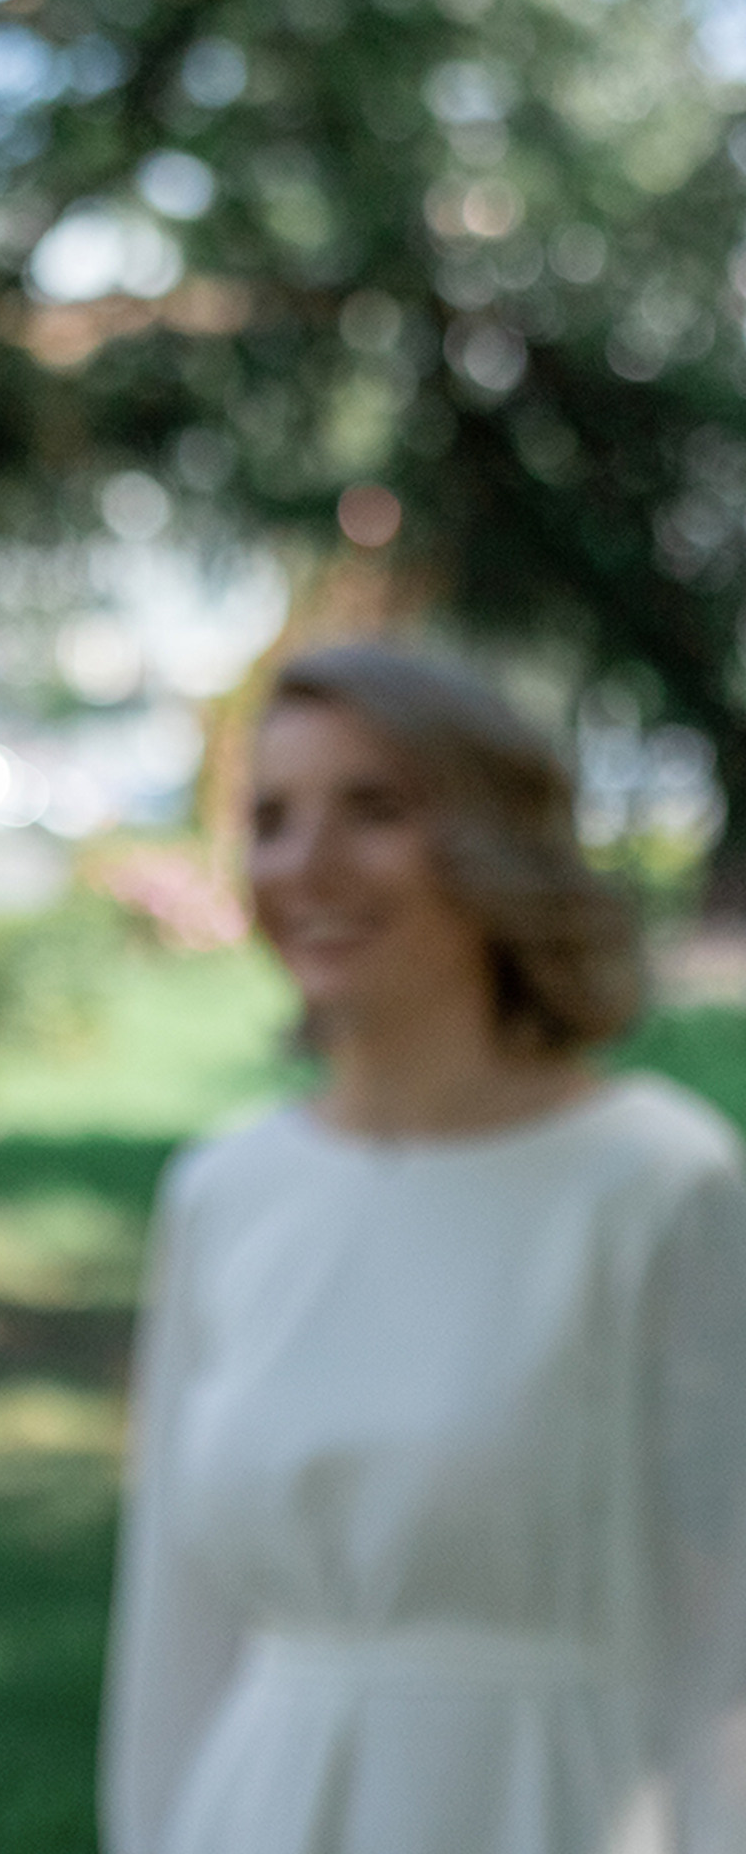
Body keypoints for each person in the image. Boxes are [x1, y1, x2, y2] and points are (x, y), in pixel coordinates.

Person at [102, 642, 746, 1852]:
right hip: (264, 1808)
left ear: (496, 844)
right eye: (272, 819)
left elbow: (729, 1642)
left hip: (550, 1804)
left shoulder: (655, 1182)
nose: (307, 867)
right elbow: (173, 1629)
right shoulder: (225, 1191)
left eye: (374, 810)